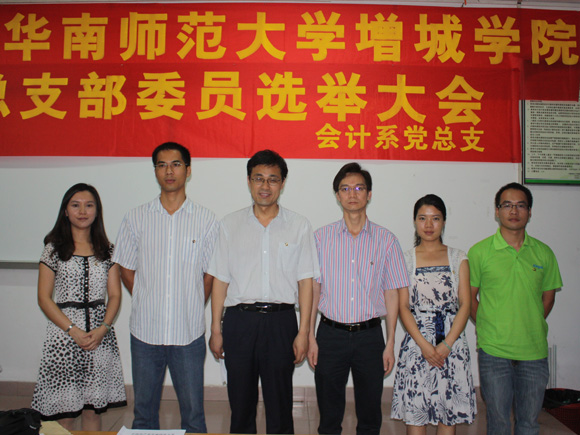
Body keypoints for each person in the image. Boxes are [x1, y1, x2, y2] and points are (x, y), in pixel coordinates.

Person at [208, 149, 319, 434]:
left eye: (273, 179)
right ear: (249, 181)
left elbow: (305, 282)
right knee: (240, 403)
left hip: (281, 322)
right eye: (259, 178)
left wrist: (304, 332)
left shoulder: (299, 226)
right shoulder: (230, 225)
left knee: (280, 404)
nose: (265, 186)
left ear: (282, 183)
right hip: (239, 321)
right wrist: (216, 329)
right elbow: (220, 280)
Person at [113, 142, 218, 432]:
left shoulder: (206, 220)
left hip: (188, 332)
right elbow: (125, 267)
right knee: (143, 413)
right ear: (155, 171)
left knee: (194, 415)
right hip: (146, 332)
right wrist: (146, 295)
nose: (169, 171)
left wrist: (192, 301)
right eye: (162, 165)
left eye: (176, 164)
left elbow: (210, 274)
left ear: (188, 170)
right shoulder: (136, 217)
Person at [308, 162, 408, 435]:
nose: (352, 194)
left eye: (359, 188)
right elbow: (313, 290)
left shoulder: (386, 240)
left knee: (370, 415)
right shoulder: (321, 238)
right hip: (330, 335)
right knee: (329, 416)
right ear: (337, 195)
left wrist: (390, 343)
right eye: (345, 189)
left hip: (370, 337)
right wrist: (310, 337)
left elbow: (392, 293)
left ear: (369, 194)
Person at [469, 182, 562, 435]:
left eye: (520, 205)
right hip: (493, 351)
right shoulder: (480, 252)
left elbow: (548, 298)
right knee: (498, 422)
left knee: (529, 423)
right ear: (496, 211)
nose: (513, 211)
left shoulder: (544, 253)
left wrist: (530, 322)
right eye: (507, 205)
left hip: (533, 351)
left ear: (529, 212)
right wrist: (487, 325)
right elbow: (469, 299)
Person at [31, 183, 126, 431]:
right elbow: (44, 298)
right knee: (64, 414)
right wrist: (72, 330)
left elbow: (115, 295)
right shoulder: (52, 250)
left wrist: (104, 328)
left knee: (93, 411)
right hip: (64, 336)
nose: (82, 211)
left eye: (89, 205)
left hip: (99, 336)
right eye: (75, 205)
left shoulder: (108, 250)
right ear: (65, 211)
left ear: (97, 211)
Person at [391, 194, 476, 434]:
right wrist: (425, 346)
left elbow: (465, 304)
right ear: (415, 221)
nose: (429, 225)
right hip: (417, 345)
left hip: (452, 346)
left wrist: (447, 345)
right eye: (423, 218)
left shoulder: (459, 258)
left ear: (444, 221)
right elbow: (403, 307)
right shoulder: (405, 259)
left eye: (435, 218)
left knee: (448, 417)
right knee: (416, 418)